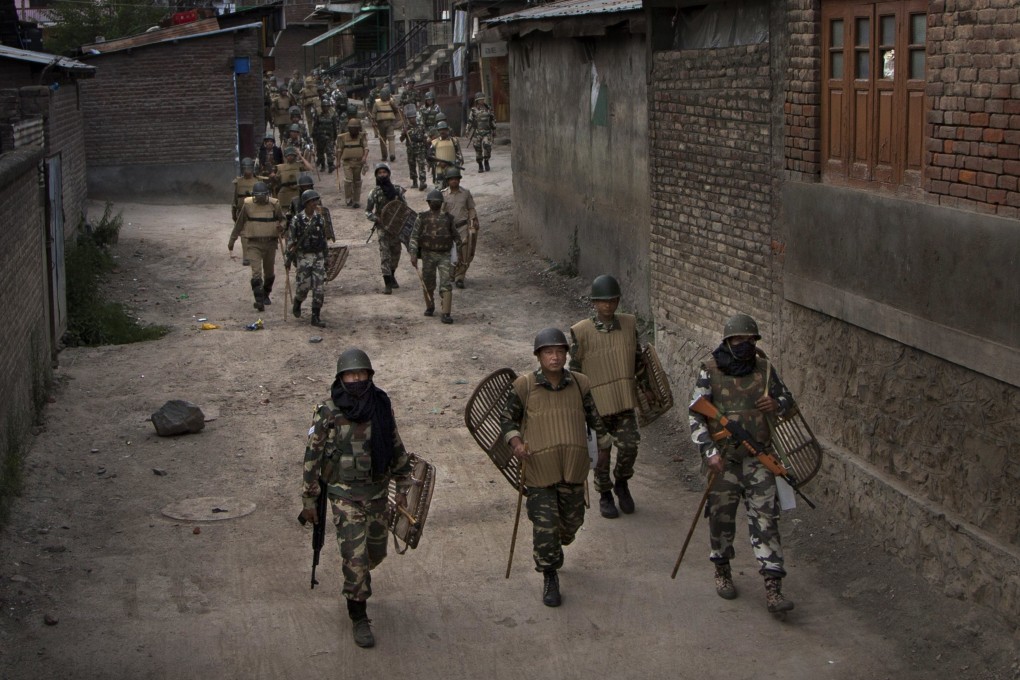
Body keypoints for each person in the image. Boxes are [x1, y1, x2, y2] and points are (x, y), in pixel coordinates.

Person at [300, 348, 412, 648]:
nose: (356, 380)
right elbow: (312, 456)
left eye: (361, 374)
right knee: (356, 559)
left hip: (377, 492)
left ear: (369, 376)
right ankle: (358, 613)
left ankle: (360, 578)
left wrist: (403, 484)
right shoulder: (327, 411)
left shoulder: (380, 405)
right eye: (350, 375)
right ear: (341, 378)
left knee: (376, 554)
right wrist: (309, 501)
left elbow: (394, 444)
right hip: (344, 496)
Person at [688, 313, 797, 614]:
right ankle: (722, 569)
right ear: (728, 342)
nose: (745, 345)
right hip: (723, 461)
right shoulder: (710, 370)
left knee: (766, 519)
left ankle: (773, 587)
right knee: (721, 518)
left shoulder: (764, 369)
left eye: (750, 340)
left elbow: (789, 403)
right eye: (739, 340)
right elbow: (695, 414)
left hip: (758, 458)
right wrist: (709, 451)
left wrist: (777, 405)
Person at [499, 328, 613, 607]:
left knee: (571, 525)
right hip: (539, 469)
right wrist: (516, 443)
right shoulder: (524, 386)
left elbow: (595, 419)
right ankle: (549, 573)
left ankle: (554, 549)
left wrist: (604, 449)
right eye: (549, 352)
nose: (555, 357)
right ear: (538, 356)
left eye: (560, 351)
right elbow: (508, 421)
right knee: (546, 526)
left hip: (572, 468)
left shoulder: (580, 383)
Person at [568, 275, 645, 519]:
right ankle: (605, 494)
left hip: (623, 402)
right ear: (594, 303)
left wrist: (647, 389)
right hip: (596, 406)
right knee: (601, 455)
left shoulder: (629, 326)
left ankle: (622, 482)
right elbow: (575, 372)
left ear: (618, 301)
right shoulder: (582, 332)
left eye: (612, 301)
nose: (608, 306)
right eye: (603, 302)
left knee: (630, 446)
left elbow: (639, 361)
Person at [228, 181, 285, 311]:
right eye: (257, 195)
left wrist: (282, 226)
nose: (260, 198)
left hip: (270, 243)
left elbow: (283, 219)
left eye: (262, 195)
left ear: (267, 194)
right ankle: (259, 300)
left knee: (269, 273)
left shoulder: (274, 204)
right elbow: (239, 224)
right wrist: (232, 241)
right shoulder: (248, 205)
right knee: (256, 273)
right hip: (254, 243)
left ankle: (266, 294)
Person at [408, 190, 461, 323]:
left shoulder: (449, 218)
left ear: (441, 203)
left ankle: (446, 313)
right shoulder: (422, 217)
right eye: (433, 201)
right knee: (428, 281)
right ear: (429, 202)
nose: (435, 203)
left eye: (437, 201)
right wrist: (413, 253)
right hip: (428, 254)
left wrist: (458, 255)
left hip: (444, 255)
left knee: (446, 283)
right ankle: (430, 306)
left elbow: (456, 237)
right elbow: (414, 236)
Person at [287, 190, 334, 328]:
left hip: (318, 256)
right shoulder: (297, 220)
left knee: (319, 288)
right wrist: (288, 259)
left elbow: (323, 239)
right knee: (303, 287)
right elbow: (291, 242)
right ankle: (298, 302)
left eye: (316, 201)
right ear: (306, 203)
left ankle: (316, 316)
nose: (315, 203)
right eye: (312, 201)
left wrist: (326, 257)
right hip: (303, 257)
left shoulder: (320, 219)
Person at [364, 163, 406, 294]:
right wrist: (376, 219)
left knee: (396, 253)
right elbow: (368, 211)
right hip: (382, 228)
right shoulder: (374, 193)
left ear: (389, 174)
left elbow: (404, 208)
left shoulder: (397, 191)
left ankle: (392, 274)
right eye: (379, 173)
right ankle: (387, 283)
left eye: (384, 172)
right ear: (376, 175)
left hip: (395, 228)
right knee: (385, 254)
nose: (382, 175)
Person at [442, 167, 479, 288]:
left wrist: (474, 220)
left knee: (464, 252)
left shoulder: (466, 193)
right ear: (448, 181)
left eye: (456, 179)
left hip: (463, 227)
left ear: (459, 180)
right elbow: (440, 212)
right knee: (451, 253)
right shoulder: (443, 194)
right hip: (449, 229)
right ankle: (452, 274)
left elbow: (471, 209)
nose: (454, 181)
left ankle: (460, 277)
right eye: (451, 179)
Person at [231, 158, 259, 267]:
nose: (247, 170)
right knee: (243, 234)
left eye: (249, 168)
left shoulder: (257, 182)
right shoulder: (238, 182)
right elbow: (235, 199)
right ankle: (246, 256)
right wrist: (233, 213)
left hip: (255, 212)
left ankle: (255, 255)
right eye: (245, 168)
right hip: (241, 212)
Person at [337, 117, 369, 208]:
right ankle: (348, 198)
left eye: (355, 128)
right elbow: (339, 149)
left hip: (358, 162)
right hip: (347, 162)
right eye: (351, 128)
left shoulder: (362, 137)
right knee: (348, 180)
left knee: (357, 181)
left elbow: (366, 148)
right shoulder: (343, 138)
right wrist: (338, 161)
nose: (353, 130)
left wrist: (364, 157)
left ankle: (356, 200)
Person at [399, 108, 428, 190]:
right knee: (412, 165)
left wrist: (427, 148)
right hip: (411, 149)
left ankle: (422, 182)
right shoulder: (406, 127)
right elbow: (401, 139)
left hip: (420, 148)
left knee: (421, 165)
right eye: (410, 118)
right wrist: (404, 133)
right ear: (408, 119)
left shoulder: (421, 126)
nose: (412, 119)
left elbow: (425, 138)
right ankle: (414, 181)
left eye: (413, 117)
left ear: (416, 117)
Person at [466, 92, 495, 172]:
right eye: (480, 100)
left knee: (487, 146)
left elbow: (492, 119)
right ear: (477, 101)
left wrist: (494, 129)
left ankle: (486, 161)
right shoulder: (473, 110)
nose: (481, 101)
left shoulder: (488, 108)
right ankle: (480, 164)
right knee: (478, 148)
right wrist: (467, 130)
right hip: (477, 133)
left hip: (487, 132)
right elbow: (470, 121)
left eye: (482, 99)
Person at [429, 122, 462, 189]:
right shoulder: (434, 143)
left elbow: (459, 157)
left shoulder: (453, 141)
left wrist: (454, 164)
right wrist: (439, 163)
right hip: (439, 172)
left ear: (447, 130)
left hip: (452, 173)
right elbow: (430, 158)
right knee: (439, 193)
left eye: (444, 129)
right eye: (440, 130)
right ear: (438, 131)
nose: (442, 131)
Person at [369, 87, 397, 162]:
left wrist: (393, 103)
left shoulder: (391, 102)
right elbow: (374, 113)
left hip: (389, 122)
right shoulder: (377, 103)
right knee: (383, 139)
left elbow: (396, 110)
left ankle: (392, 154)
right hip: (381, 123)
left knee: (390, 138)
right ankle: (385, 155)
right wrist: (373, 121)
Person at [313, 101, 338, 173]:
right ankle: (323, 165)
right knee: (320, 152)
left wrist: (334, 137)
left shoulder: (332, 116)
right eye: (324, 106)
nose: (325, 108)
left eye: (327, 106)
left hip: (329, 137)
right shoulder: (318, 116)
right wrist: (315, 135)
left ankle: (330, 165)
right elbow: (315, 126)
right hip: (320, 137)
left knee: (329, 151)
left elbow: (334, 127)